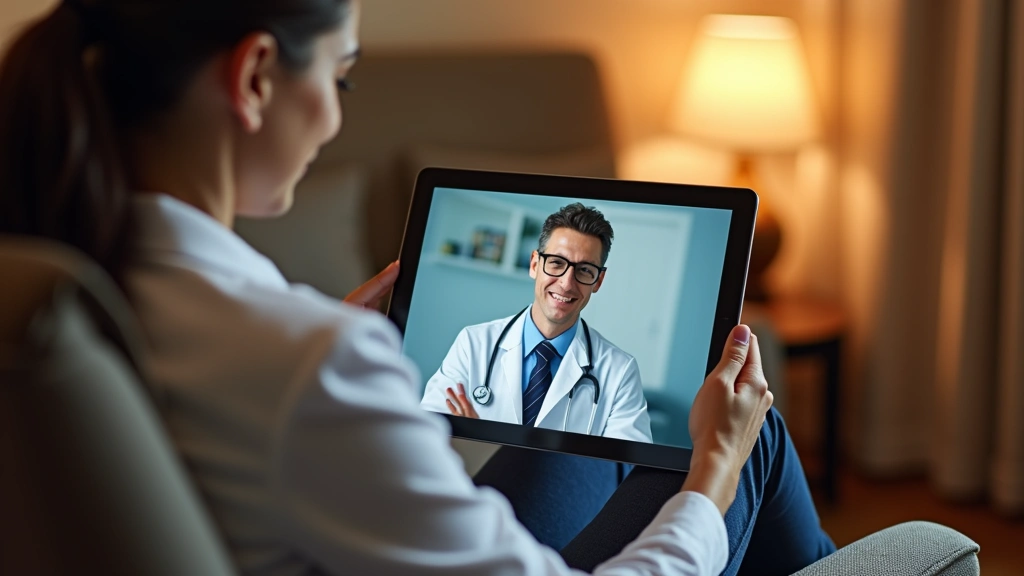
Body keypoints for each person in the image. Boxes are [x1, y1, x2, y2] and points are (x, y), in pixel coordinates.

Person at [0, 1, 836, 575]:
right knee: (738, 434)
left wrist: (328, 340)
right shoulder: (307, 362)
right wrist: (715, 472)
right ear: (255, 77)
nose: (333, 117)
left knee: (636, 442)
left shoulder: (66, 271)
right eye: (341, 78)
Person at [420, 203, 652, 442]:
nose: (566, 283)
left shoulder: (620, 371)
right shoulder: (474, 344)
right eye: (557, 263)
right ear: (534, 264)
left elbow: (626, 469)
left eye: (584, 270)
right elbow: (425, 435)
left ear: (598, 281)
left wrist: (480, 440)